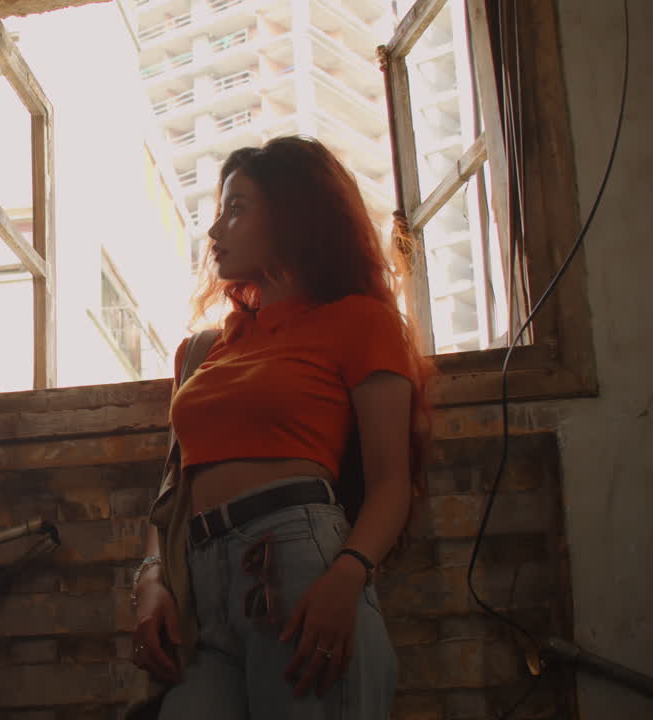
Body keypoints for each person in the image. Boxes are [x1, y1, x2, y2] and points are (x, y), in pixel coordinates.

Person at [127, 136, 431, 719]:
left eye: (236, 209)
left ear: (294, 218)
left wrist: (347, 576)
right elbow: (173, 493)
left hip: (297, 563)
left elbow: (392, 484)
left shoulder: (359, 322)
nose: (215, 231)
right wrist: (151, 579)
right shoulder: (202, 351)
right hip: (201, 587)